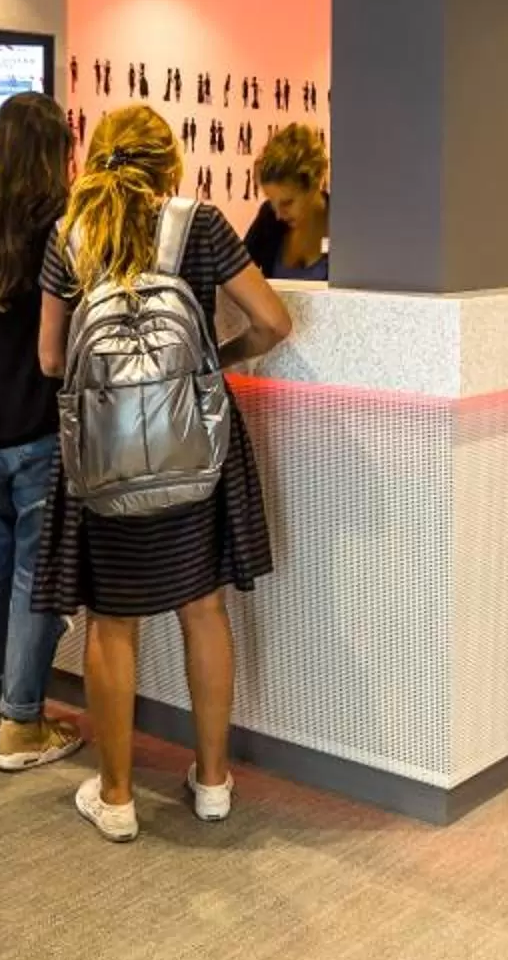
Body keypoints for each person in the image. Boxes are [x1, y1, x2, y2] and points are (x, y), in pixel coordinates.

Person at [36, 104, 294, 841]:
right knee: (203, 608)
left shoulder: (68, 236)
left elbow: (53, 361)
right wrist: (214, 363)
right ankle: (212, 782)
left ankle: (115, 797)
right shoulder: (200, 226)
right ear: (167, 163)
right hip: (194, 449)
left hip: (102, 461)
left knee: (111, 623)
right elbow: (275, 321)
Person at [0, 94, 85, 773]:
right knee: (31, 581)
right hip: (39, 428)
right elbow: (58, 347)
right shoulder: (60, 231)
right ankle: (22, 723)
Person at [243, 122, 331, 281]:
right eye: (272, 202)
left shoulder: (345, 228)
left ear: (313, 185)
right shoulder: (268, 218)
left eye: (287, 203)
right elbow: (238, 273)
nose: (278, 215)